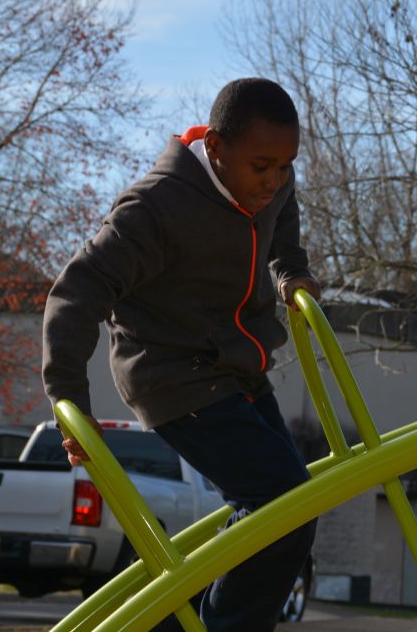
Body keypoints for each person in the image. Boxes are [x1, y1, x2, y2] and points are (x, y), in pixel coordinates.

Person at [41, 77, 321, 632]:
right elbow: (74, 294)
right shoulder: (155, 208)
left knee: (292, 508)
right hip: (171, 377)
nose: (273, 181)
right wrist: (70, 400)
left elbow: (284, 211)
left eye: (285, 166)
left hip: (238, 368)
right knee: (282, 505)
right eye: (260, 167)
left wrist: (290, 269)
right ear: (215, 147)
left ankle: (177, 620)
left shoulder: (272, 184)